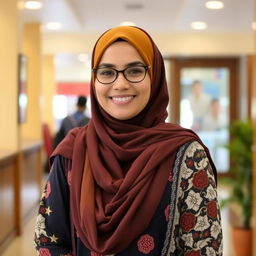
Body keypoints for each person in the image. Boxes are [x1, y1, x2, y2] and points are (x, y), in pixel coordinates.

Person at [34, 26, 223, 256]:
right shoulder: (73, 152)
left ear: (154, 77)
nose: (120, 84)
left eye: (134, 70)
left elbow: (203, 249)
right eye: (106, 72)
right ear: (94, 81)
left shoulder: (187, 155)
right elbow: (49, 240)